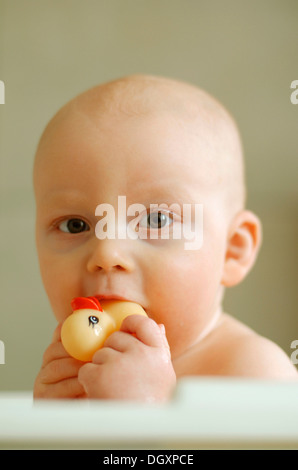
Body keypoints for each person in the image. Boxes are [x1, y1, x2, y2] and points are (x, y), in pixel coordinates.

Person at [33, 75, 298, 401]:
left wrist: (151, 419)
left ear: (232, 250)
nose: (107, 253)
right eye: (75, 224)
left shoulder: (253, 373)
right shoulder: (77, 373)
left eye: (156, 220)